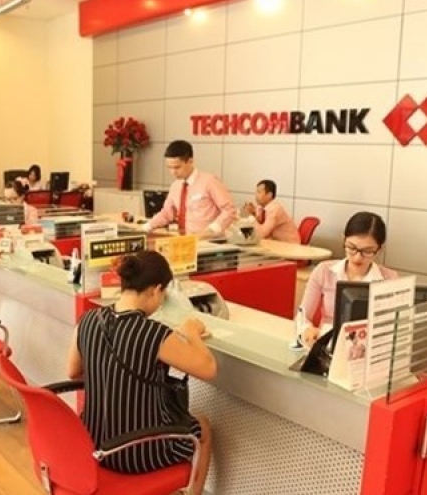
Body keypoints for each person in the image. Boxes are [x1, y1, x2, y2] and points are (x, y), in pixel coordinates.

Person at [66, 251, 215, 495]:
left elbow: (72, 371)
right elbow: (208, 368)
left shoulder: (88, 320)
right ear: (156, 290)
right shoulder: (154, 333)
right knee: (203, 428)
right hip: (138, 454)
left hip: (93, 444)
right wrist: (192, 333)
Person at [298, 211, 398, 347]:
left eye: (367, 251)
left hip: (367, 349)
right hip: (326, 346)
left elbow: (392, 329)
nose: (357, 257)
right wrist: (306, 329)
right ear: (343, 240)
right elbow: (303, 316)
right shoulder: (324, 271)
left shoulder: (390, 279)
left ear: (379, 249)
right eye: (351, 247)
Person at [144, 140, 236, 237]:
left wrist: (211, 230)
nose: (173, 172)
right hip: (186, 240)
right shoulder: (175, 186)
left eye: (177, 167)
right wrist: (147, 226)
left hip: (209, 241)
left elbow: (229, 210)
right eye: (169, 167)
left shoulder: (209, 181)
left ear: (190, 161)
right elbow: (167, 213)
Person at [241, 179, 299, 244]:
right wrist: (253, 213)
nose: (256, 195)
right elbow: (259, 225)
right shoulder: (261, 207)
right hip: (276, 243)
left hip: (290, 245)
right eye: (256, 192)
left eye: (259, 192)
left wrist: (250, 215)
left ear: (269, 195)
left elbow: (261, 234)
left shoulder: (274, 209)